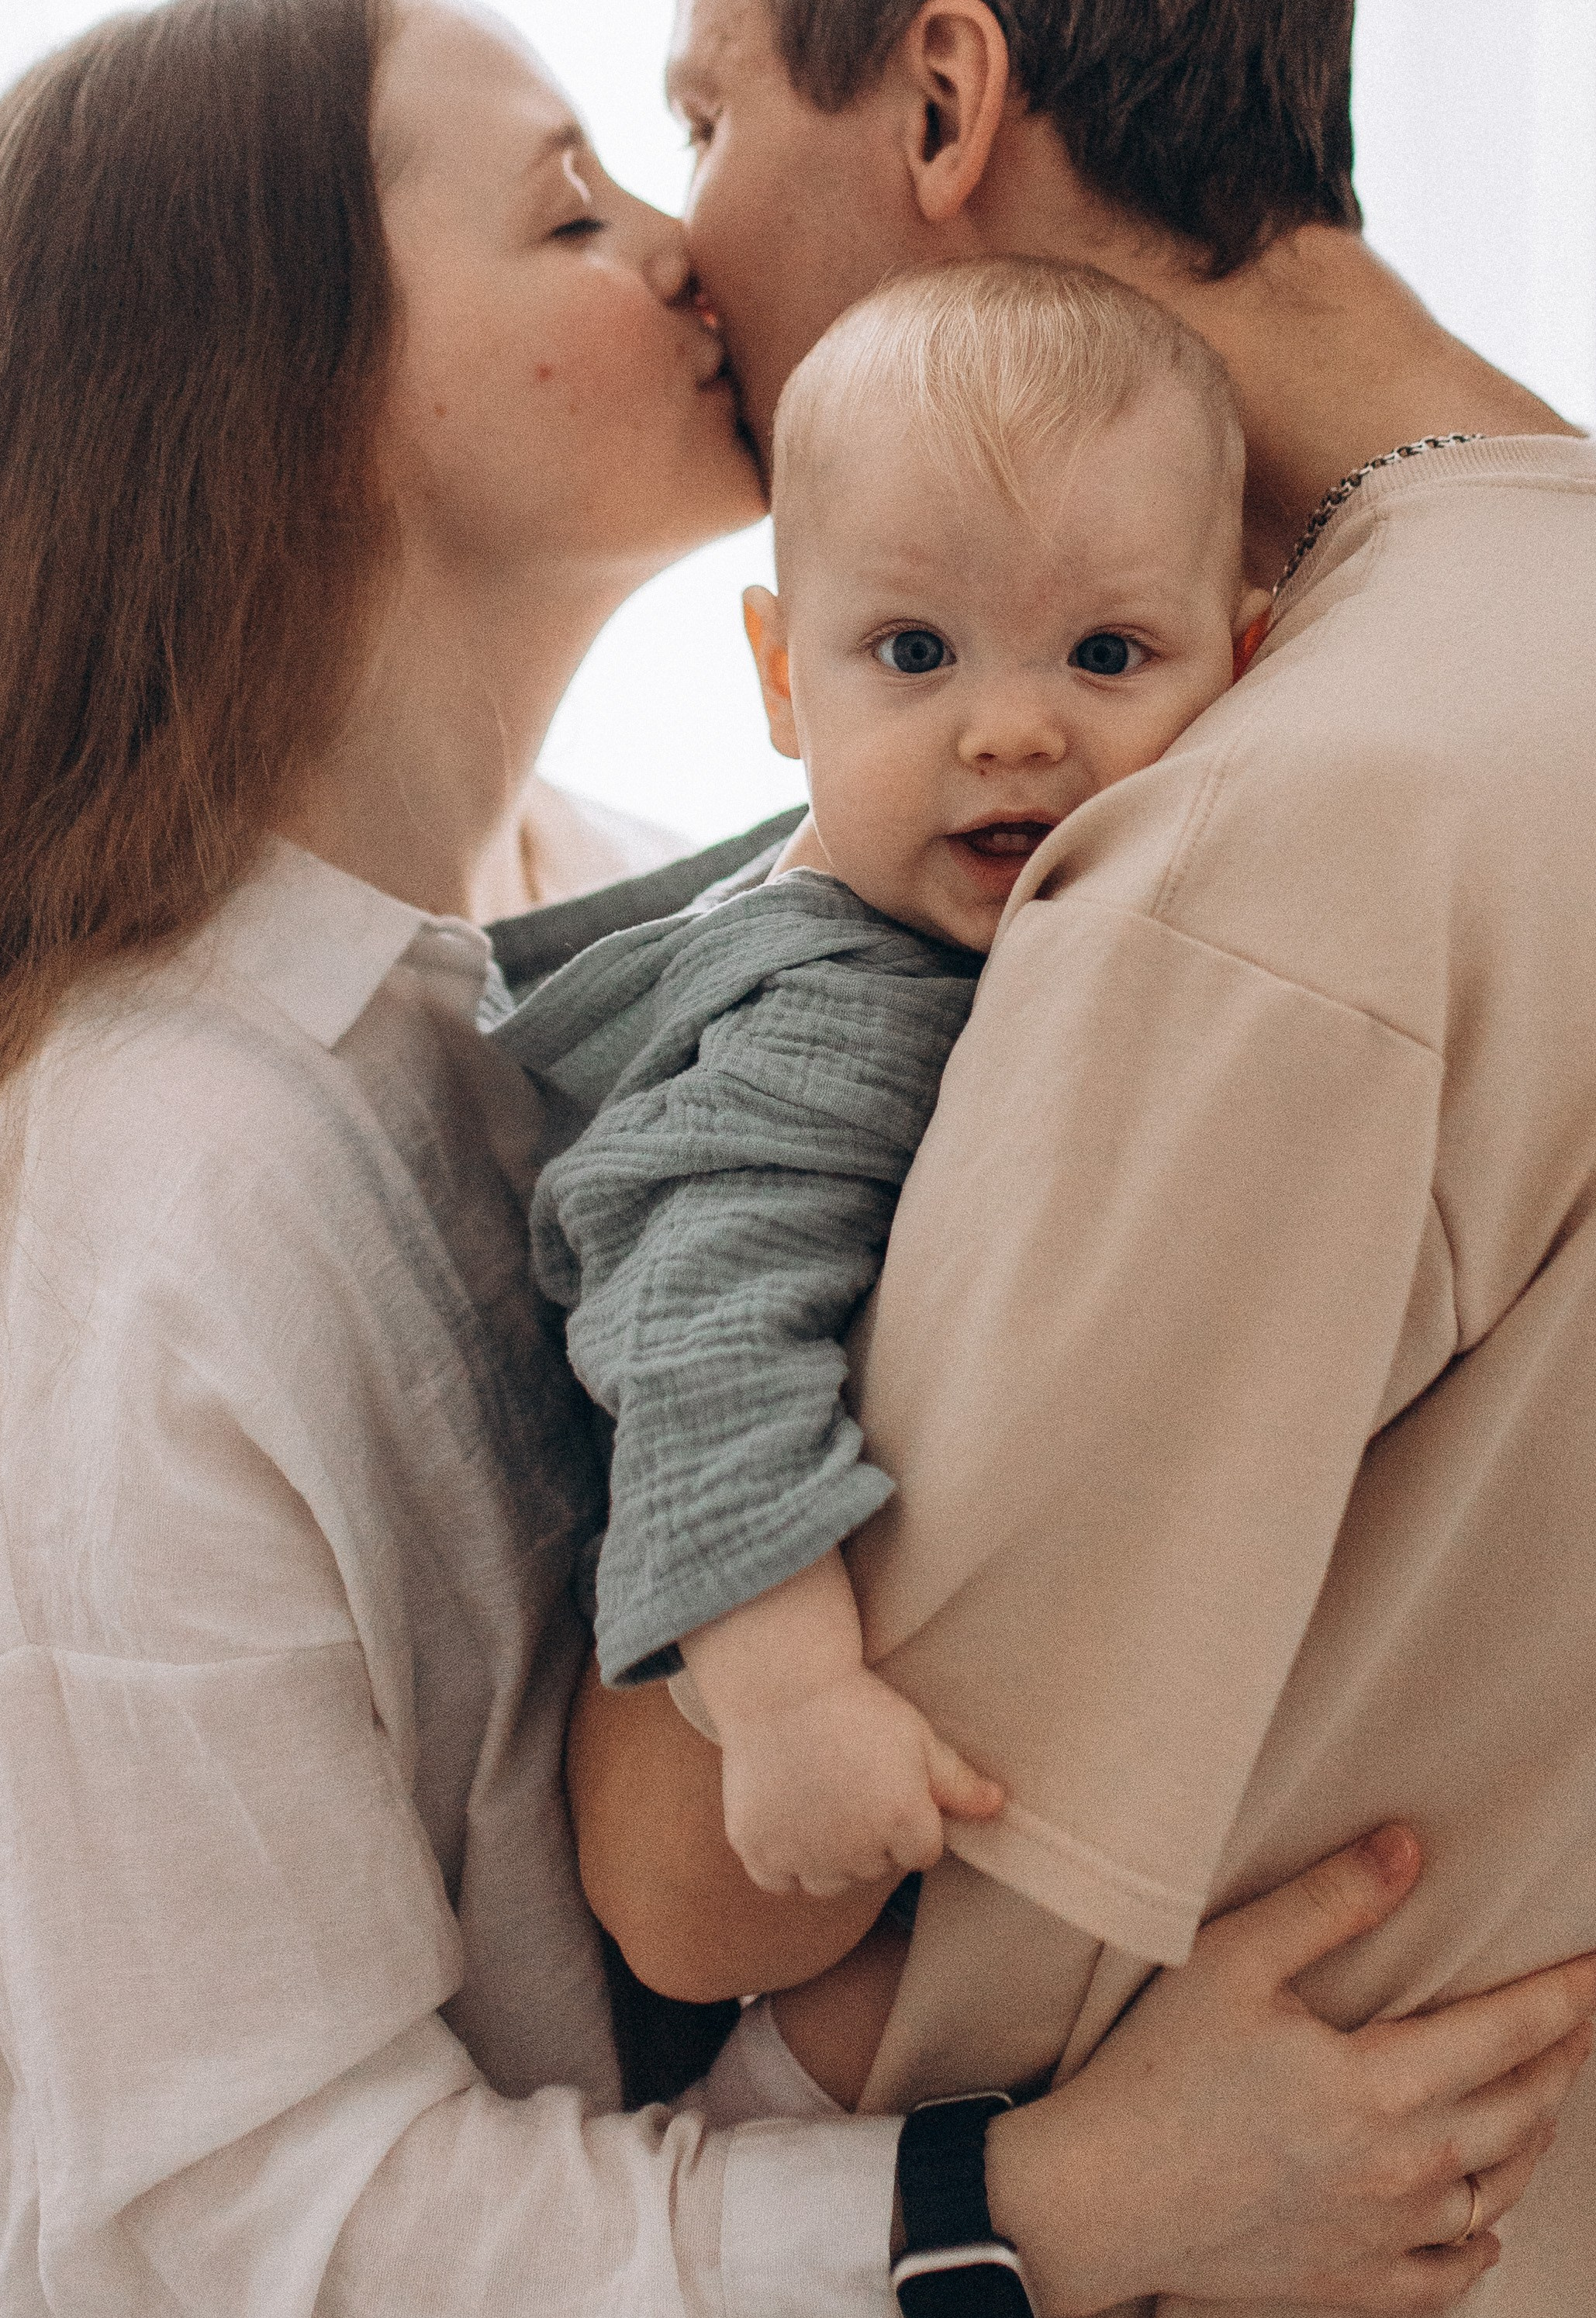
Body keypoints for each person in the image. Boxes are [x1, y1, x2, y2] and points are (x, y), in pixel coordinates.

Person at [0, 3, 1596, 2318]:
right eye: (572, 211)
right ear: (298, 390)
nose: (689, 248)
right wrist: (1057, 2199)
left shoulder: (672, 911)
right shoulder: (156, 1190)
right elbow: (247, 2246)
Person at [575, 0, 1596, 2318]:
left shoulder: (1280, 850)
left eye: (706, 118)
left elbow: (706, 1875)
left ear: (945, 101)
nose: (681, 241)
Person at [498, 257, 1270, 1902]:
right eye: (913, 651)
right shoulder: (823, 1011)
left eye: (1106, 653)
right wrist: (790, 1699)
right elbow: (693, 1337)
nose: (1007, 729)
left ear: (1245, 665)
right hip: (734, 1725)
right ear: (784, 682)